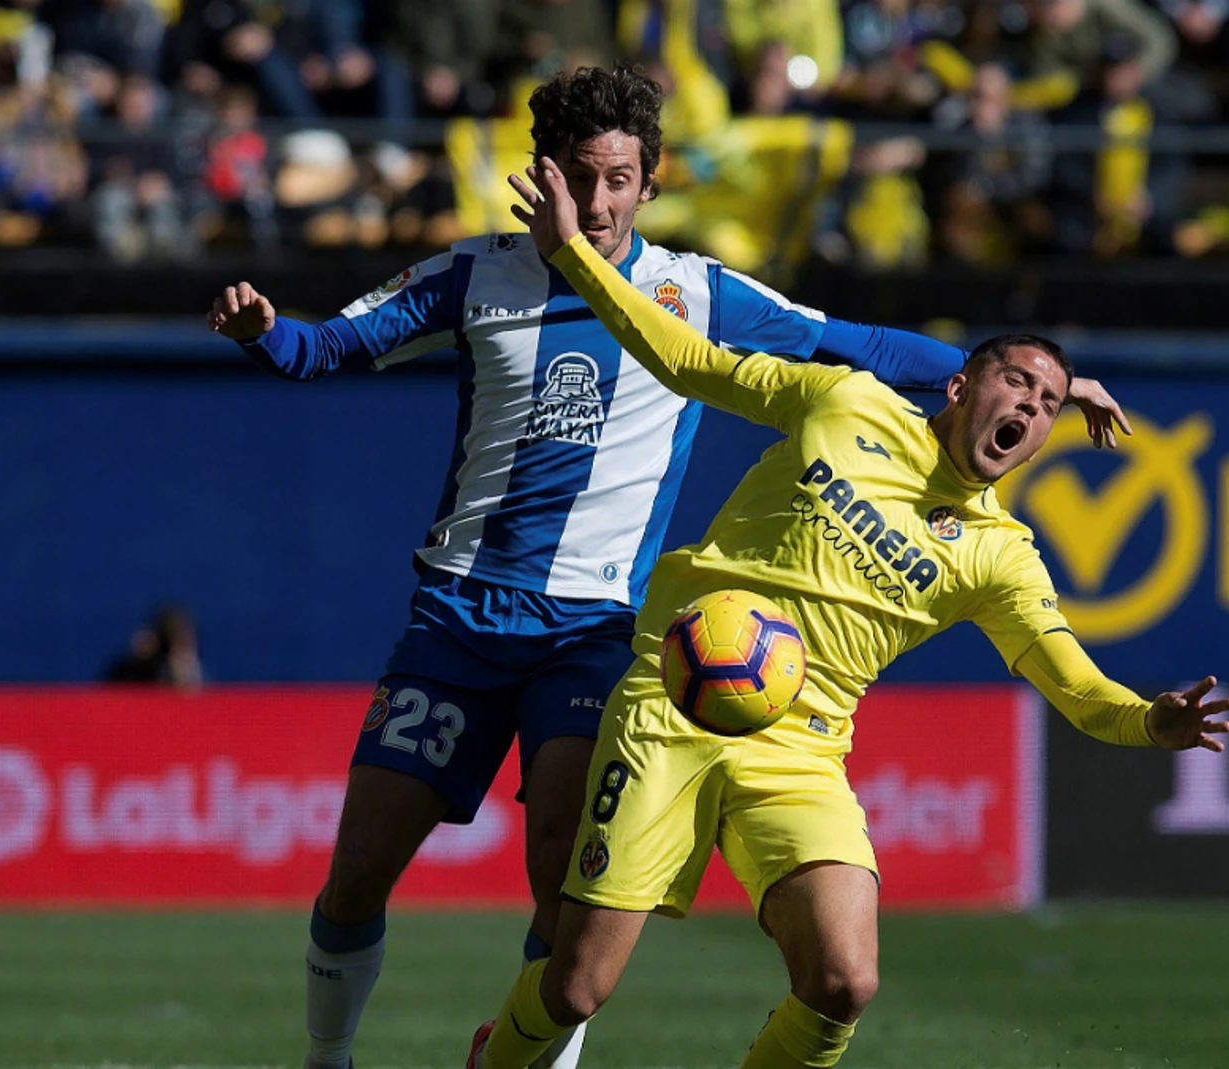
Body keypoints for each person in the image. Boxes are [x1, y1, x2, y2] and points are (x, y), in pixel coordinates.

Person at [204, 65, 1137, 1069]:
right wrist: (267, 334)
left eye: (620, 180)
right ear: (543, 174)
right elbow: (325, 347)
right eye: (580, 177)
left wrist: (1035, 376)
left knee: (565, 880)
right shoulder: (473, 274)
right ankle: (324, 1061)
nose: (599, 203)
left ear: (648, 182)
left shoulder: (694, 292)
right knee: (358, 874)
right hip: (458, 618)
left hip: (595, 630)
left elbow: (858, 344)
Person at [467, 156, 1229, 1069]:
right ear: (959, 387)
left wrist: (1151, 720)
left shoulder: (1000, 555)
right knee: (576, 987)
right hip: (673, 707)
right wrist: (578, 260)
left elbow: (1074, 686)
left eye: (1049, 404)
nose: (1031, 408)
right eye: (1017, 385)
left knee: (843, 981)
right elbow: (688, 359)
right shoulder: (846, 402)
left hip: (800, 751)